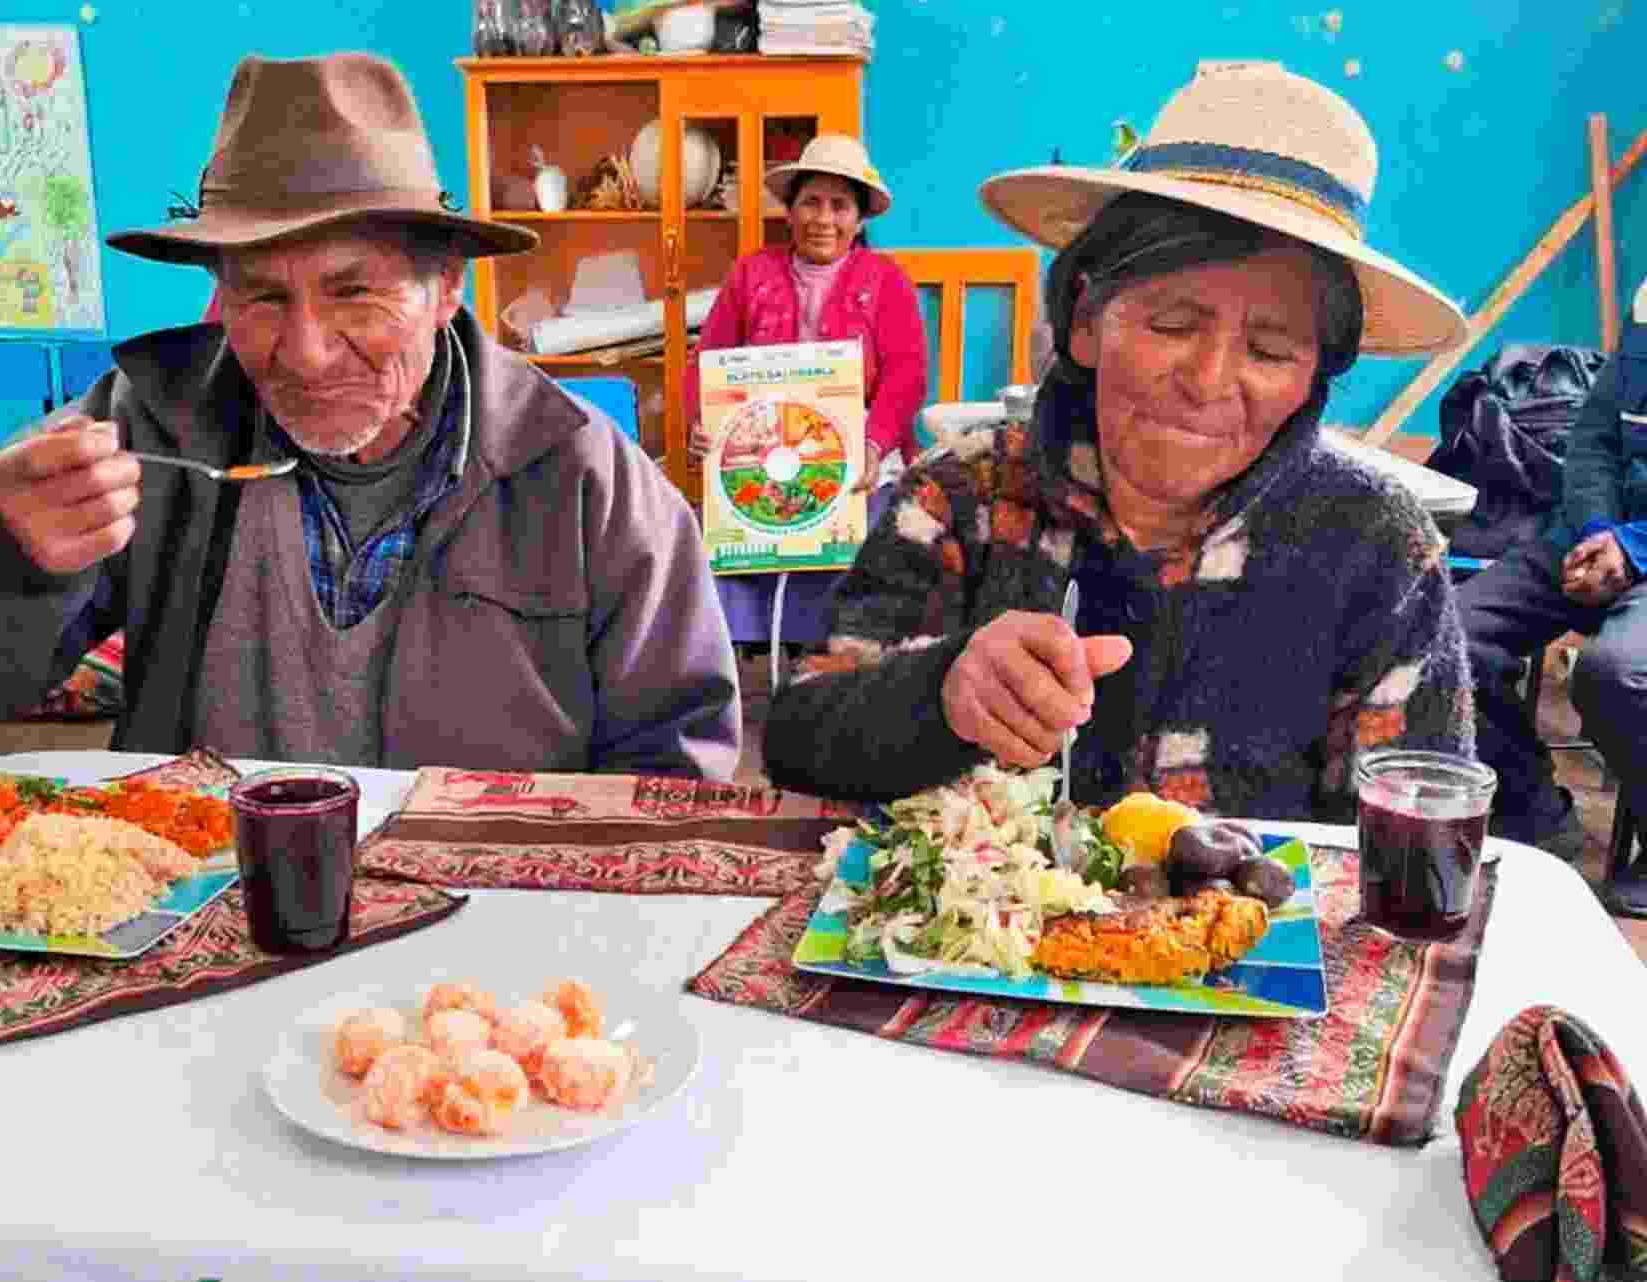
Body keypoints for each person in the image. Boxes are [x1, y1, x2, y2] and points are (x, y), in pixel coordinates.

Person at [0, 52, 740, 777]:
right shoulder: (152, 424)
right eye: (263, 297)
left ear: (444, 289)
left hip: (495, 923)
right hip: (205, 899)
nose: (307, 353)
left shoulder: (583, 476)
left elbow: (677, 768)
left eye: (355, 292)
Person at [762, 60, 1475, 821]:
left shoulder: (1376, 546)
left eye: (1270, 352)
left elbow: (1413, 825)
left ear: (1312, 379)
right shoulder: (966, 492)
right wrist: (940, 693)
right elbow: (799, 737)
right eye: (1172, 324)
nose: (1209, 381)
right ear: (1085, 321)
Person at [1458, 277, 1647, 896]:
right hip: (1598, 533)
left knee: (1618, 673)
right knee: (1443, 637)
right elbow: (1595, 438)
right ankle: (1533, 816)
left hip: (1634, 545)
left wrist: (1632, 550)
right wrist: (1598, 531)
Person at [683, 133, 927, 488]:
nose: (823, 219)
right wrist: (701, 420)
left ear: (859, 220)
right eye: (811, 202)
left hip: (860, 451)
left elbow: (907, 375)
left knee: (873, 520)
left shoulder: (887, 279)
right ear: (789, 211)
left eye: (840, 206)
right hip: (763, 450)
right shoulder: (751, 273)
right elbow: (708, 360)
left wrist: (873, 444)